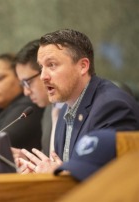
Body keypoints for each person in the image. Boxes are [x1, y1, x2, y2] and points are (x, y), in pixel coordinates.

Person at [17, 29, 139, 174]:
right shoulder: (65, 110)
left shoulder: (112, 106)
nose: (43, 76)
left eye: (52, 65)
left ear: (83, 66)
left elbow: (113, 176)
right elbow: (62, 165)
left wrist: (57, 174)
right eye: (41, 67)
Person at [15, 39, 63, 157]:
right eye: (22, 85)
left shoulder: (75, 107)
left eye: (27, 82)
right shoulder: (48, 110)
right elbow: (51, 157)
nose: (26, 92)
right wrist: (27, 159)